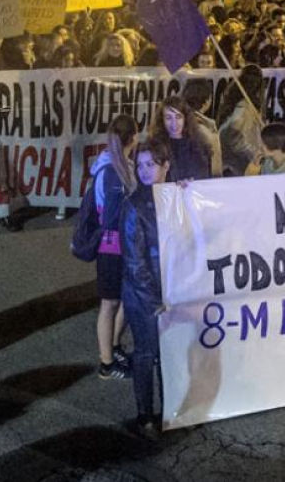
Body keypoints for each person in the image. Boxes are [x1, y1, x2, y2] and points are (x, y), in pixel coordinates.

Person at [119, 138, 170, 440]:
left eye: (151, 164)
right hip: (144, 296)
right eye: (140, 165)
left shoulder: (174, 197)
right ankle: (144, 416)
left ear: (166, 166)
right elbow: (135, 262)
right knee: (145, 354)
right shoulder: (134, 205)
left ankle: (170, 409)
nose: (144, 171)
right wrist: (155, 299)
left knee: (168, 355)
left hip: (167, 292)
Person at [90, 114, 136, 381]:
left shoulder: (115, 165)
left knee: (124, 300)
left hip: (119, 247)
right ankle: (106, 363)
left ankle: (114, 347)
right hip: (112, 248)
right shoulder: (113, 172)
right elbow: (109, 217)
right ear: (134, 138)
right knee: (109, 304)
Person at [148, 96, 211, 182]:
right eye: (168, 118)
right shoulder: (153, 146)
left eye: (178, 117)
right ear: (162, 120)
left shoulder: (199, 145)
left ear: (185, 118)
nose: (174, 123)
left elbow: (204, 177)